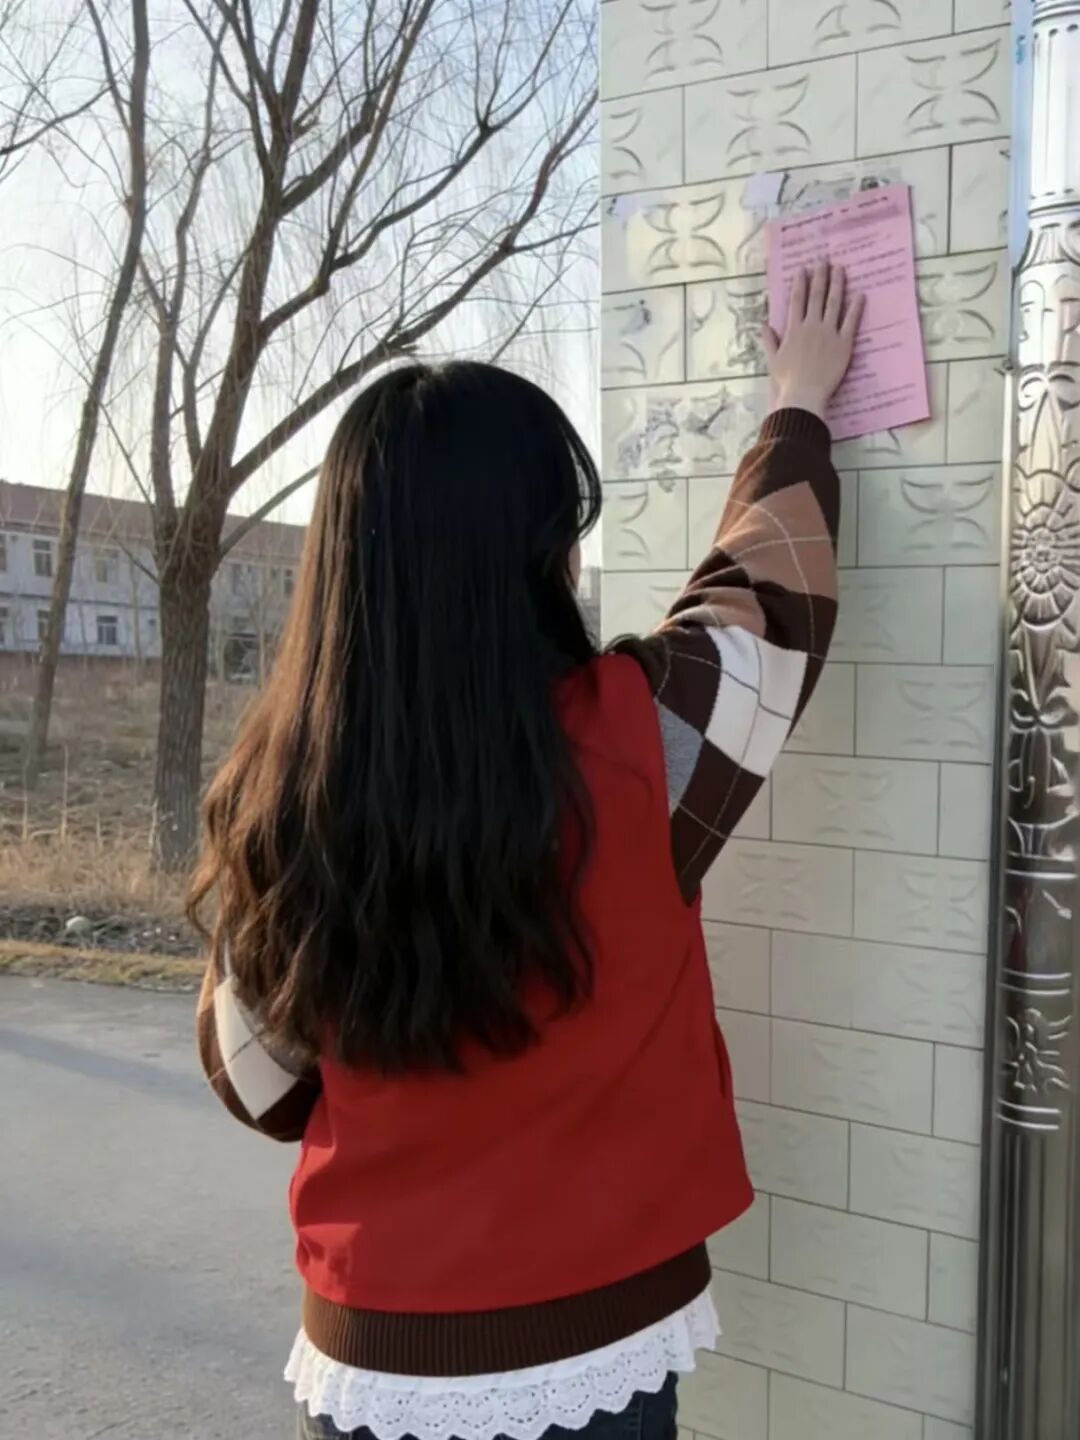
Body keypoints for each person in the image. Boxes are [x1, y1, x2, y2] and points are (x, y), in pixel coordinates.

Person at [192, 262, 863, 1440]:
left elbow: (257, 1078)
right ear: (538, 556)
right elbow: (765, 609)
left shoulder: (284, 792)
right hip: (594, 1350)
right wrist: (797, 406)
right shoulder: (640, 742)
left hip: (371, 1356)